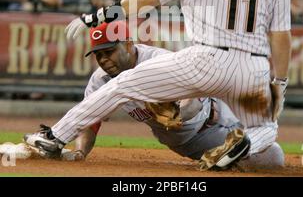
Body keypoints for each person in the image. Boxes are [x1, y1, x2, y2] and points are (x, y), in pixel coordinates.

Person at [25, 0, 291, 171]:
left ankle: (54, 137)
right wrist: (279, 84)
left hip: (207, 59)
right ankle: (246, 140)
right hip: (252, 69)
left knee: (120, 85)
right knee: (268, 129)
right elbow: (281, 35)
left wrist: (99, 16)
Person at [27, 21, 285, 170]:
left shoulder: (159, 59)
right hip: (189, 140)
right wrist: (82, 151)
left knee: (269, 148)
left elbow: (192, 97)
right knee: (256, 160)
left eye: (110, 51)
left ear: (128, 44)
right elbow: (91, 121)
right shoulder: (101, 81)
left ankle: (240, 149)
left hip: (218, 114)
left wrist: (179, 111)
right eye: (99, 55)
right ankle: (229, 161)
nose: (104, 60)